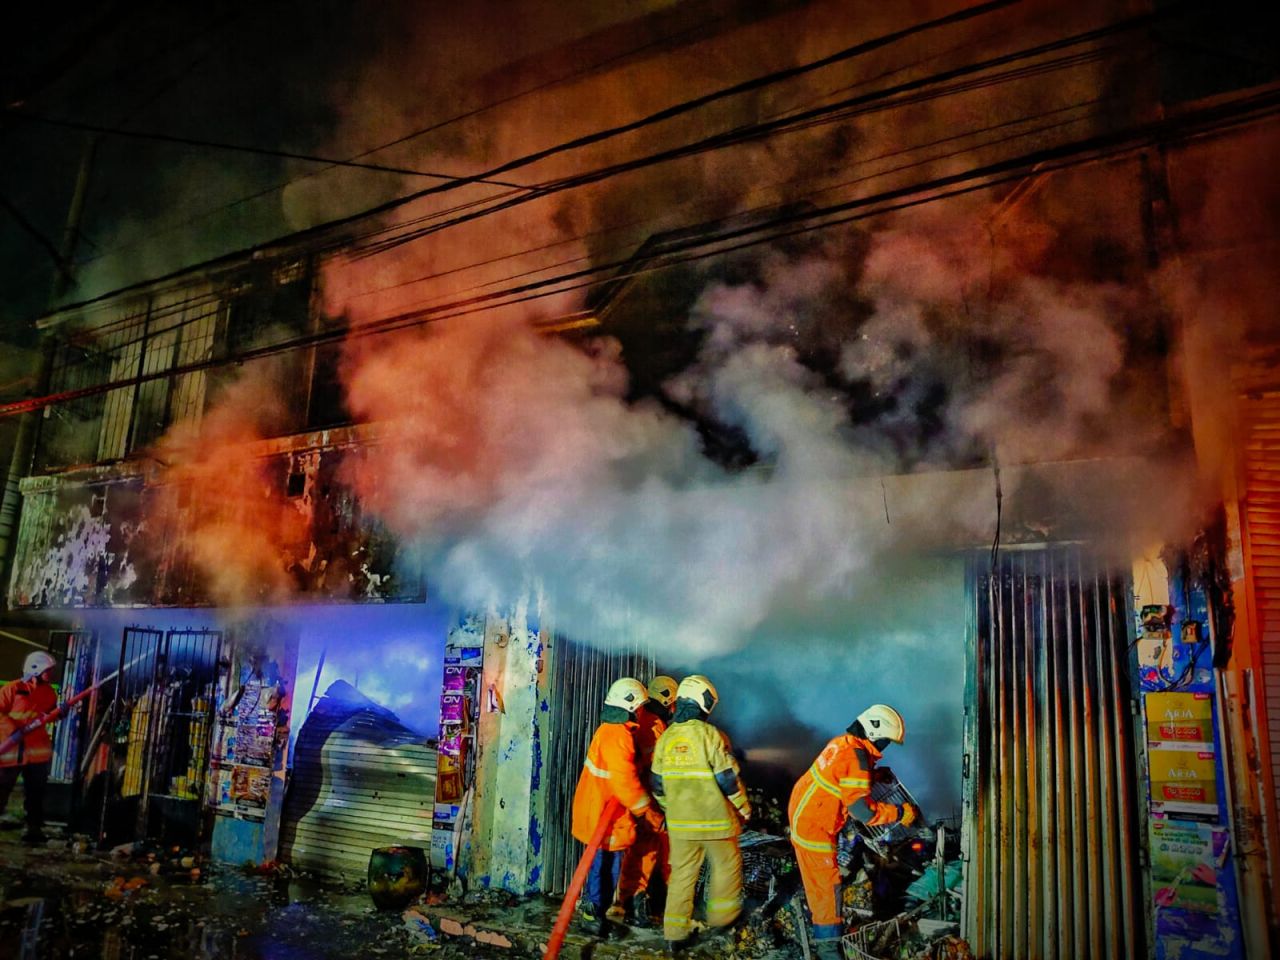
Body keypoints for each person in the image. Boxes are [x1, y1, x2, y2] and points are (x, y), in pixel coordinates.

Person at [788, 704, 919, 959]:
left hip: (804, 815)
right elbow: (863, 812)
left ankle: (826, 941)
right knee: (827, 889)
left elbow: (842, 775)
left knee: (820, 886)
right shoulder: (856, 758)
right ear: (873, 733)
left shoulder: (844, 743)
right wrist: (900, 813)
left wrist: (874, 775)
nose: (884, 746)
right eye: (885, 741)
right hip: (814, 828)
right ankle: (829, 950)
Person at [651, 675, 751, 954]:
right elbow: (727, 779)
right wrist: (743, 808)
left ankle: (674, 935)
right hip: (714, 821)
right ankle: (722, 918)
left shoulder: (666, 738)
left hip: (680, 824)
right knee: (727, 864)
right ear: (702, 703)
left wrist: (670, 809)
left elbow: (657, 785)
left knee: (682, 875)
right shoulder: (709, 735)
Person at [571, 677, 664, 939]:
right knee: (603, 868)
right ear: (632, 707)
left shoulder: (614, 731)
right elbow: (624, 782)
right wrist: (647, 811)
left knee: (605, 866)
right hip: (603, 816)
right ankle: (592, 916)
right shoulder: (617, 735)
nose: (643, 712)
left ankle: (595, 914)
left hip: (604, 814)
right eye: (641, 707)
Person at [612, 675, 677, 926]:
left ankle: (633, 901)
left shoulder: (647, 722)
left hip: (641, 799)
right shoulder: (654, 726)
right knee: (645, 851)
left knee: (642, 851)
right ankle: (633, 902)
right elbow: (658, 769)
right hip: (648, 800)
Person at [0, 651, 59, 844]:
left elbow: (50, 714)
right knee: (1, 789)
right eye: (48, 670)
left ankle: (33, 828)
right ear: (35, 669)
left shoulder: (49, 692)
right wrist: (12, 730)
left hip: (36, 754)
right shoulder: (12, 689)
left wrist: (60, 713)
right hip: (11, 750)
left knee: (36, 793)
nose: (50, 674)